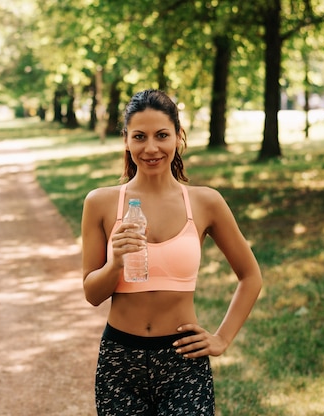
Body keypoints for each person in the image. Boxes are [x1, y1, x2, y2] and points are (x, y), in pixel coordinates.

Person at [81, 89, 262, 415]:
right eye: (140, 136)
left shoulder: (206, 202)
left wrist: (221, 339)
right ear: (126, 140)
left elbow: (250, 276)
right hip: (120, 361)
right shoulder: (100, 203)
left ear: (179, 136)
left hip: (184, 361)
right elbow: (92, 294)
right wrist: (114, 264)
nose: (151, 148)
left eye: (162, 135)